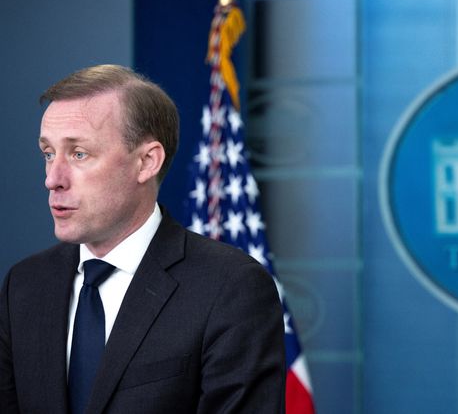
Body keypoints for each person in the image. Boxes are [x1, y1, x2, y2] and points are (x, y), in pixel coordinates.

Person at [0, 65, 285, 414]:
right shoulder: (25, 285)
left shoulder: (230, 287)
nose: (53, 179)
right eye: (48, 154)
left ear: (147, 161)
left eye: (79, 154)